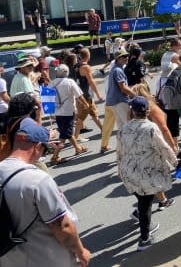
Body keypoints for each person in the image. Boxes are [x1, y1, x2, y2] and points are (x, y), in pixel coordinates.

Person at [0, 124, 91, 266]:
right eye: (45, 150)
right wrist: (81, 251)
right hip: (45, 258)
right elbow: (63, 226)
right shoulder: (37, 179)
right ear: (37, 146)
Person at [117, 96, 177, 251]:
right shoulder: (150, 128)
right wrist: (176, 163)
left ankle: (142, 218)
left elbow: (120, 152)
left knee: (142, 200)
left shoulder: (124, 128)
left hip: (128, 172)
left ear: (132, 111)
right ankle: (144, 239)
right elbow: (163, 148)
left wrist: (120, 169)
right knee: (145, 205)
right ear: (147, 111)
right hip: (146, 175)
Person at [49, 64, 89, 164]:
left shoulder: (51, 83)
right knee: (64, 134)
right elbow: (79, 95)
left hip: (57, 112)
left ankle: (78, 148)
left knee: (67, 132)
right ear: (66, 73)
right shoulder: (70, 82)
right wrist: (85, 104)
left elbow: (47, 100)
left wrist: (50, 113)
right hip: (68, 111)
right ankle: (55, 156)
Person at [74, 48, 104, 143]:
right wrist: (99, 94)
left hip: (81, 94)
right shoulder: (86, 67)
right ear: (88, 55)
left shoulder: (77, 66)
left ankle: (103, 130)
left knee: (94, 113)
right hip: (85, 95)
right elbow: (91, 81)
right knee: (81, 118)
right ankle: (75, 137)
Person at [105, 48, 137, 135]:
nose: (126, 58)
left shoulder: (115, 68)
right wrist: (136, 95)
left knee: (121, 127)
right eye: (124, 56)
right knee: (129, 125)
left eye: (127, 56)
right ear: (118, 58)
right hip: (120, 101)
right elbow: (123, 88)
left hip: (113, 102)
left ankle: (121, 147)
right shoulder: (118, 70)